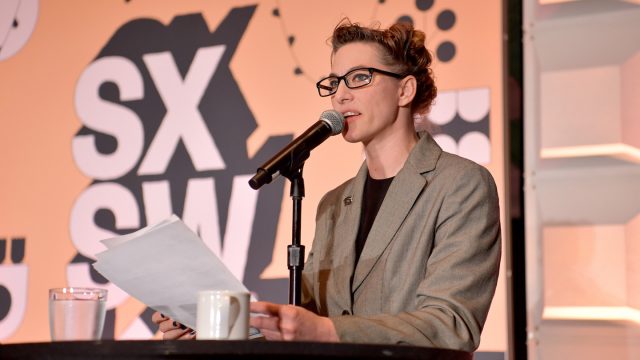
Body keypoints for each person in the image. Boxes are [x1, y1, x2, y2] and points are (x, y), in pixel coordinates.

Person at [153, 19, 501, 352]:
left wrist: (327, 331)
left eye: (359, 78)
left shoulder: (461, 185)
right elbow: (303, 320)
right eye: (334, 83)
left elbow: (451, 324)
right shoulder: (335, 204)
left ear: (405, 90)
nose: (341, 96)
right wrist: (215, 328)